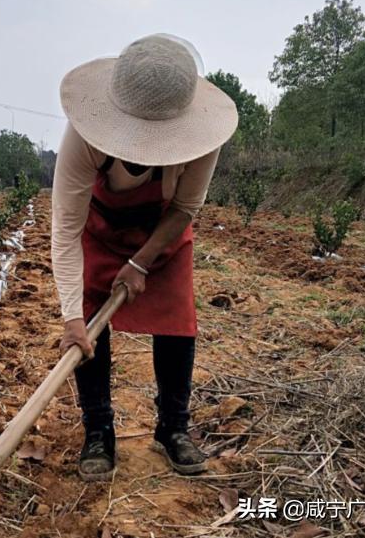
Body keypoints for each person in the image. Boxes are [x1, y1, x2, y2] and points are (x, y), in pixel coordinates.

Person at [51, 34, 238, 481]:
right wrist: (72, 318)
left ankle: (173, 427)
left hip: (162, 233)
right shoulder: (83, 138)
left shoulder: (201, 141)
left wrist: (140, 262)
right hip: (98, 232)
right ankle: (98, 430)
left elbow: (185, 209)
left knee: (177, 321)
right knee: (90, 320)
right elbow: (65, 230)